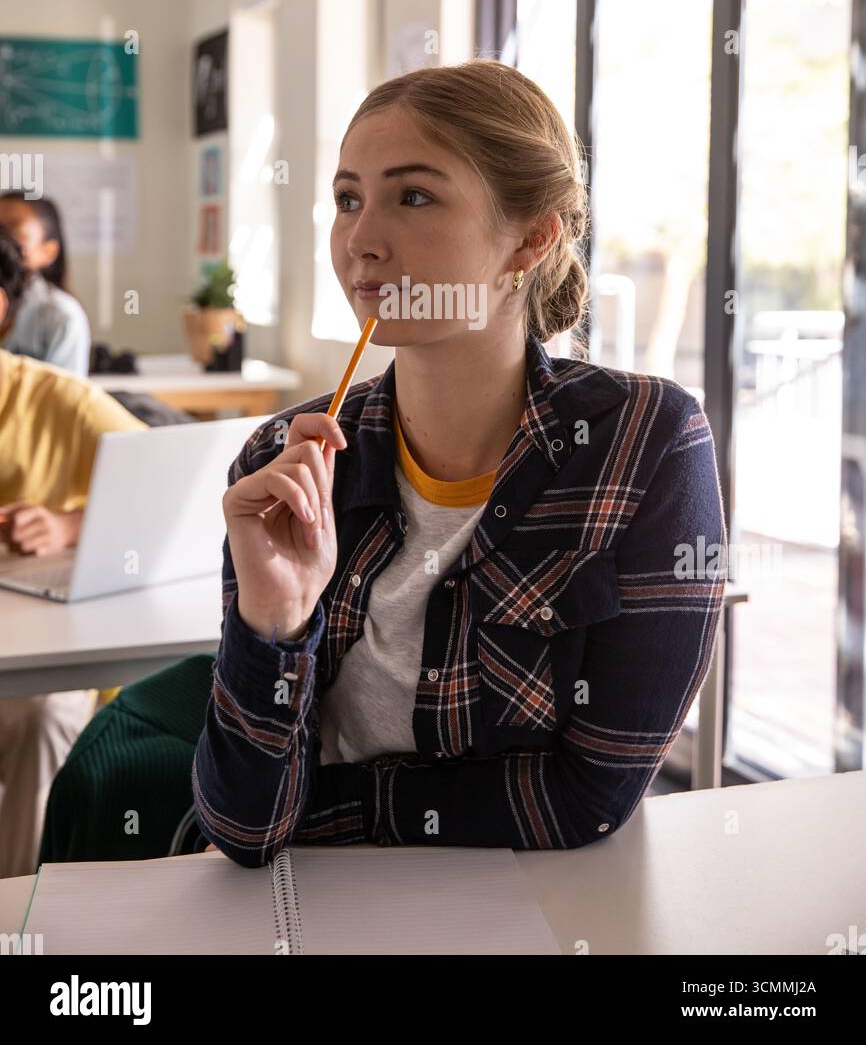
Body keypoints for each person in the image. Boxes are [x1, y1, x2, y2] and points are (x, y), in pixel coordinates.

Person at [193, 60, 727, 866]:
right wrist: (273, 626)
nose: (360, 242)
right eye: (347, 199)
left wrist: (334, 809)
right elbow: (242, 830)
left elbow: (588, 798)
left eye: (413, 196)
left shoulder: (647, 444)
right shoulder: (282, 462)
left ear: (532, 234)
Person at [0, 229, 145, 878]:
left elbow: (176, 487)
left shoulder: (57, 398)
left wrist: (67, 526)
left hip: (38, 663)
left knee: (43, 708)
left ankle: (19, 913)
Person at [0, 192, 91, 376]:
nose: (2, 242)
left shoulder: (62, 317)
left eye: (12, 231)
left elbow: (62, 398)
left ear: (48, 251)